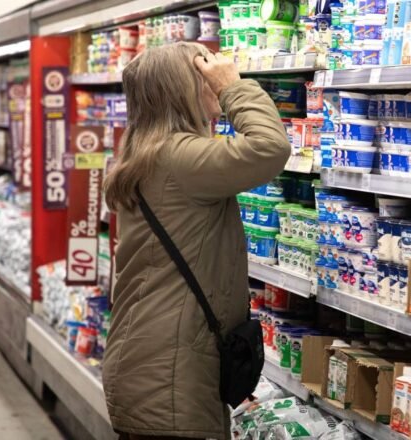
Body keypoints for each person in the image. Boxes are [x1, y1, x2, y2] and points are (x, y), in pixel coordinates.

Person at [102, 42, 290, 440]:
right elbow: (270, 148)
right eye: (204, 73)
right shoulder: (179, 158)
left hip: (153, 354)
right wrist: (232, 88)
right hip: (166, 366)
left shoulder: (148, 151)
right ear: (185, 89)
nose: (214, 77)